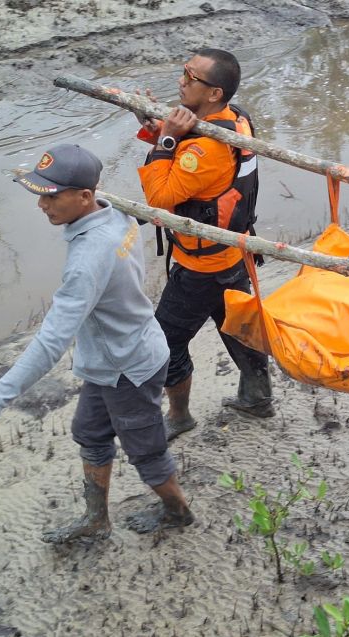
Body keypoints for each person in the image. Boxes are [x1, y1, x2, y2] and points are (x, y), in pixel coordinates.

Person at [0, 144, 193, 542]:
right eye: (40, 194)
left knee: (146, 452)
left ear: (84, 196)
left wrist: (1, 395)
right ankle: (96, 519)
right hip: (118, 353)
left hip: (127, 367)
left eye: (52, 196)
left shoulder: (88, 257)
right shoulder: (112, 209)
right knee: (89, 432)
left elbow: (52, 339)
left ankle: (178, 512)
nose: (42, 206)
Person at [136, 48, 273, 441]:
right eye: (183, 71)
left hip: (201, 266)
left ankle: (178, 417)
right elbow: (185, 143)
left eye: (190, 77)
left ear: (214, 93)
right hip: (233, 250)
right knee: (234, 323)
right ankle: (257, 397)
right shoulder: (236, 118)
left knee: (164, 341)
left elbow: (161, 197)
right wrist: (156, 128)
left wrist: (163, 140)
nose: (181, 80)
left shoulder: (208, 150)